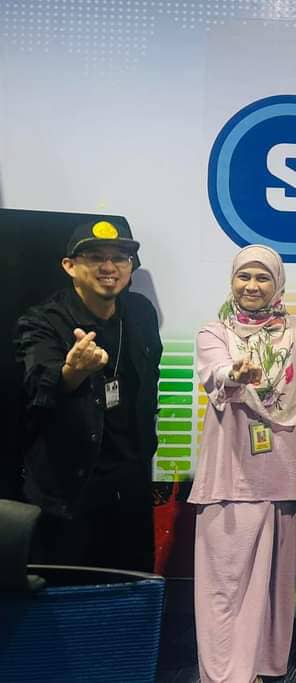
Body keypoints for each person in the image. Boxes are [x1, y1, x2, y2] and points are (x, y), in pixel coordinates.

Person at [187, 245, 296, 683]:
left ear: (277, 283)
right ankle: (225, 674)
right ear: (232, 281)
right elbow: (215, 373)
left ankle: (264, 665)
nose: (252, 286)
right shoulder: (214, 332)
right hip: (231, 472)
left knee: (275, 582)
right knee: (225, 584)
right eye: (243, 276)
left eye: (262, 277)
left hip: (282, 470)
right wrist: (236, 374)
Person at [14, 218, 162, 572]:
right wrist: (73, 372)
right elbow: (38, 384)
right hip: (69, 490)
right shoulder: (43, 320)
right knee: (70, 596)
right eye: (96, 257)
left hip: (130, 487)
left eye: (120, 257)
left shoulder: (141, 314)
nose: (109, 267)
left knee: (132, 587)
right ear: (70, 266)